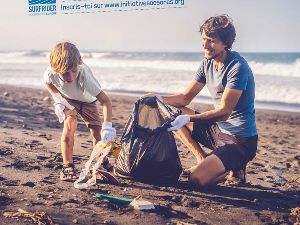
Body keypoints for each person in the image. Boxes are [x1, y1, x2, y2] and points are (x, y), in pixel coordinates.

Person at [158, 14, 258, 187]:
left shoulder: (238, 67)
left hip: (240, 141)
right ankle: (202, 158)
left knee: (196, 179)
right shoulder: (207, 63)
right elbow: (184, 98)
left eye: (211, 40)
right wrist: (155, 98)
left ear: (225, 43)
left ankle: (234, 166)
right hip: (217, 132)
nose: (205, 45)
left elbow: (224, 112)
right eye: (203, 39)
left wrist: (189, 118)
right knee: (170, 111)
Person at [44, 41, 116, 181]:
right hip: (68, 100)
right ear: (55, 69)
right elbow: (47, 83)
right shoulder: (50, 73)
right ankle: (67, 165)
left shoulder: (83, 75)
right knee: (70, 124)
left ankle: (101, 162)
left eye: (74, 71)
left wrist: (108, 127)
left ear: (79, 64)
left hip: (88, 102)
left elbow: (106, 101)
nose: (70, 77)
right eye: (65, 73)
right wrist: (58, 99)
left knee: (97, 133)